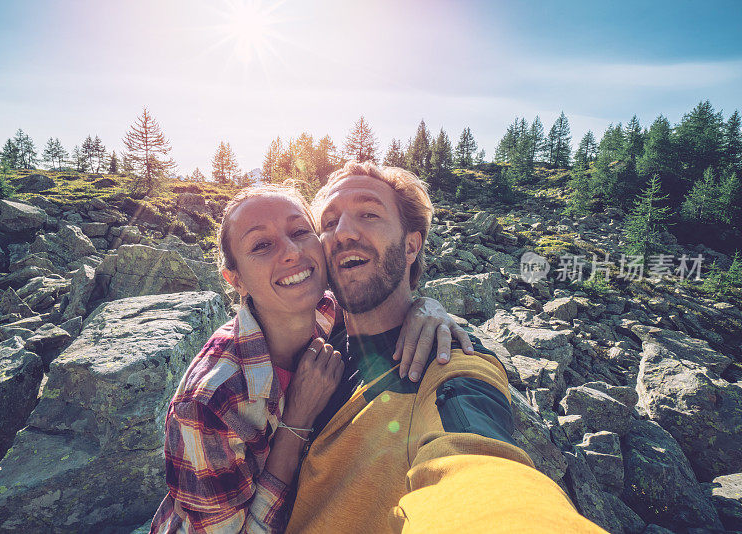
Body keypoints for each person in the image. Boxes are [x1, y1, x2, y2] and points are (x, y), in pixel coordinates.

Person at [285, 161, 607, 533]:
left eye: (369, 214)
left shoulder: (445, 362)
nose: (342, 232)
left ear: (410, 245)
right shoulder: (310, 335)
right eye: (328, 223)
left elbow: (475, 464)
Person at [149, 184, 475, 534]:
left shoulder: (327, 309)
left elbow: (381, 297)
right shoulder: (210, 401)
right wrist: (296, 423)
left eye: (300, 232)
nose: (290, 252)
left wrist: (426, 308)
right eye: (262, 245)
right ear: (236, 279)